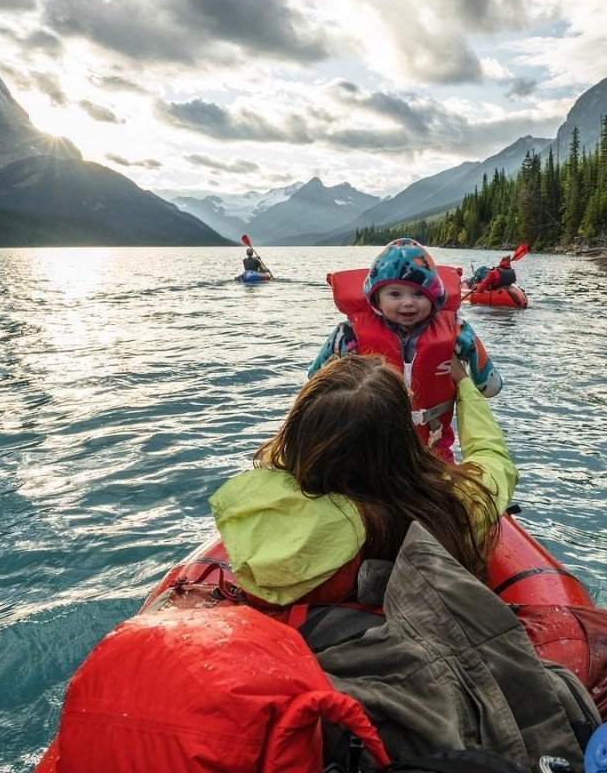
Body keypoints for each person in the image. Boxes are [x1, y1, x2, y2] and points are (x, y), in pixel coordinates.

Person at [210, 352, 518, 607]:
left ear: (299, 431)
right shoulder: (452, 505)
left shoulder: (264, 510)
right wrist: (463, 384)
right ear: (402, 435)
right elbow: (492, 458)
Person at [308, 238, 502, 459]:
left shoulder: (457, 331)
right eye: (395, 294)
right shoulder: (349, 334)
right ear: (376, 298)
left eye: (419, 294)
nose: (408, 302)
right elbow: (316, 381)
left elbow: (491, 388)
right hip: (366, 449)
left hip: (432, 449)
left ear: (434, 296)